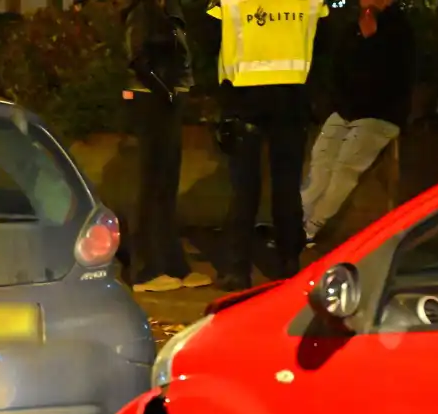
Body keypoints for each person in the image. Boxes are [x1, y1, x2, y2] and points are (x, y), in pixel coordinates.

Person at [208, 0, 330, 290]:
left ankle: (237, 269)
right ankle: (289, 264)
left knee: (244, 188)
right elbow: (324, 42)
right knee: (287, 186)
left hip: (244, 97)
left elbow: (213, 37)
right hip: (292, 96)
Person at [301, 0, 414, 246]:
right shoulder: (351, 27)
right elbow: (338, 69)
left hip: (379, 114)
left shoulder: (398, 30)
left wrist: (371, 40)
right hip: (346, 110)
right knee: (321, 160)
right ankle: (296, 220)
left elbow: (390, 77)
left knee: (345, 168)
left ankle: (311, 226)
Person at [121, 0, 211, 292]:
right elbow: (137, 57)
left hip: (168, 99)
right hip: (151, 100)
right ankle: (144, 271)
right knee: (151, 186)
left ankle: (173, 265)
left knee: (166, 186)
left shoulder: (170, 9)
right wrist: (165, 91)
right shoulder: (142, 9)